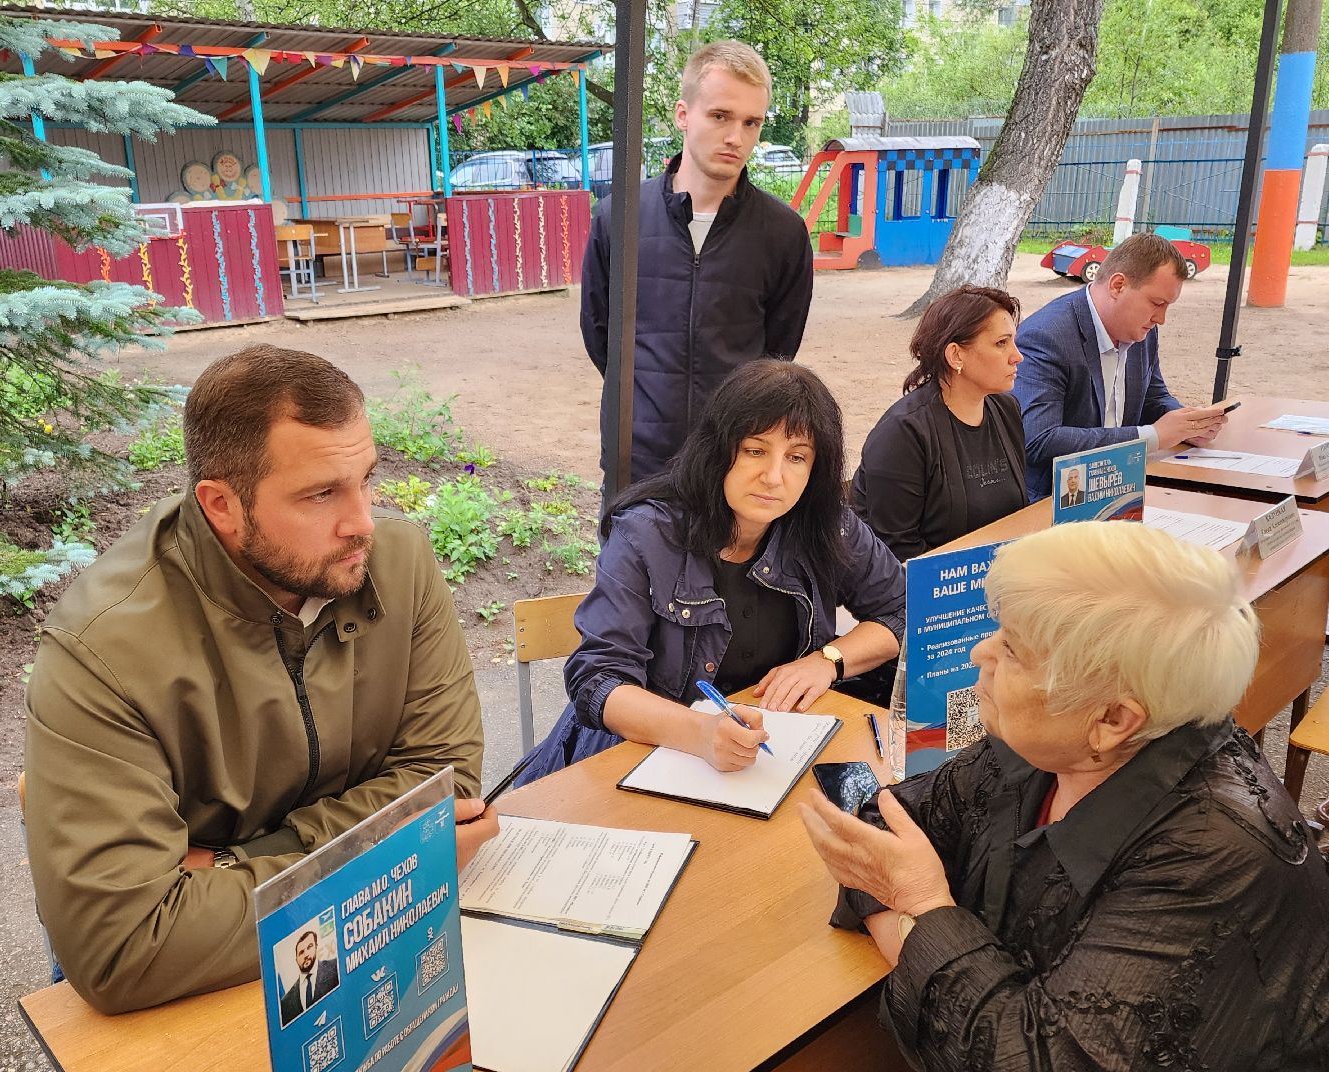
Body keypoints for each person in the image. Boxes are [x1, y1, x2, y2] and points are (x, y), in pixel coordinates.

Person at [23, 345, 499, 1015]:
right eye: (320, 493)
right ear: (221, 505)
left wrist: (227, 866)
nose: (363, 521)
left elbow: (442, 782)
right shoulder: (102, 648)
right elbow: (126, 948)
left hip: (290, 942)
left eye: (367, 478)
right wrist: (399, 858)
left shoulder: (398, 562)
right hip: (184, 996)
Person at [800, 521, 1329, 1072]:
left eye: (1014, 650)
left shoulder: (1211, 856)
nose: (982, 651)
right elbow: (877, 829)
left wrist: (922, 907)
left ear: (1113, 719)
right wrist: (918, 927)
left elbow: (1031, 1067)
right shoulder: (1049, 742)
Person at [519, 360, 905, 784]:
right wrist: (700, 733)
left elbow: (906, 611)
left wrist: (827, 661)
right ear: (718, 449)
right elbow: (598, 681)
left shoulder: (828, 524)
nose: (774, 477)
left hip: (768, 760)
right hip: (639, 759)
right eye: (755, 450)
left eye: (797, 457)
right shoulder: (645, 535)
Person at [580, 40, 814, 486]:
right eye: (720, 116)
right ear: (683, 115)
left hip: (732, 461)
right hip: (636, 458)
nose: (736, 137)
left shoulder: (783, 233)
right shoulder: (619, 217)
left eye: (751, 123)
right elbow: (600, 334)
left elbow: (779, 350)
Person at [1014, 232, 1228, 502]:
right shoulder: (1047, 335)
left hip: (1121, 489)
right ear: (1117, 286)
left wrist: (1188, 424)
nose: (1161, 319)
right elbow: (1040, 440)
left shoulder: (1140, 330)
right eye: (1157, 303)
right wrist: (1151, 436)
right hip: (1054, 502)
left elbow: (1153, 397)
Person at [850, 286, 1028, 560]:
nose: (1018, 356)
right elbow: (896, 549)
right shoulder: (904, 432)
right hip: (929, 591)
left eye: (1013, 342)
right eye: (1001, 343)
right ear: (956, 355)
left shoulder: (1006, 410)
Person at [279, 929, 340, 1026]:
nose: (306, 954)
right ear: (296, 960)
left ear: (316, 947)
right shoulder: (284, 1003)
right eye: (301, 952)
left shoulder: (336, 967)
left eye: (309, 947)